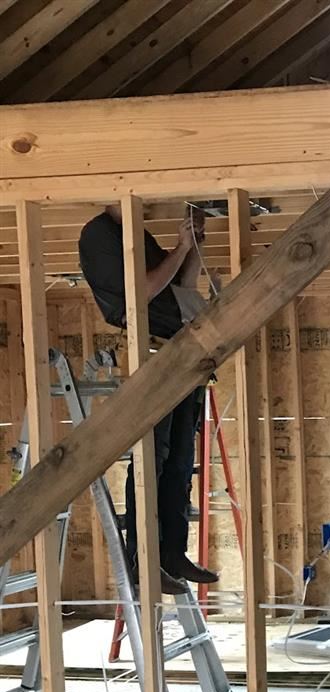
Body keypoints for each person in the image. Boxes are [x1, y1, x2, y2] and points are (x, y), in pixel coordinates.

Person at [79, 203, 219, 594]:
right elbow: (138, 293)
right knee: (150, 461)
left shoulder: (139, 236)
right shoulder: (100, 235)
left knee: (176, 462)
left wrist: (191, 248)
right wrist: (177, 249)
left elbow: (182, 288)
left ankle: (172, 554)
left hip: (178, 353)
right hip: (150, 354)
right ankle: (144, 562)